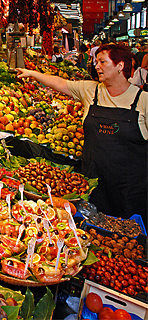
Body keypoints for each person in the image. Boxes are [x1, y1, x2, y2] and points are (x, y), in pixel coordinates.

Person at [17, 44, 147, 227]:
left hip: (130, 190)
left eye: (102, 61)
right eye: (96, 62)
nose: (96, 66)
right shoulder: (91, 91)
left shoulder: (143, 101)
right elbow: (61, 83)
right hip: (93, 185)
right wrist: (32, 74)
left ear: (120, 65)